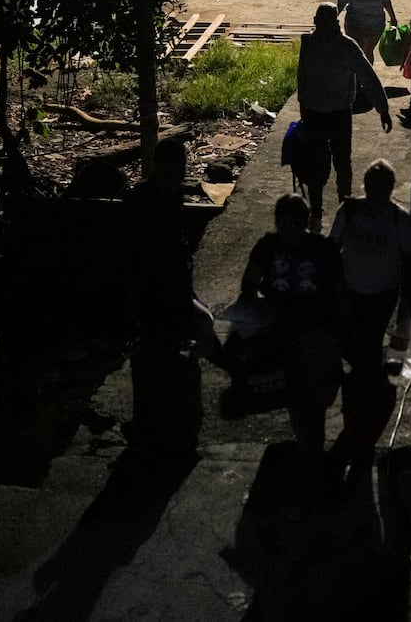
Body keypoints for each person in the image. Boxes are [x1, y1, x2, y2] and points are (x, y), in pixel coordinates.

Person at [236, 194, 349, 490]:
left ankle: (309, 456)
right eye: (282, 224)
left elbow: (339, 291)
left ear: (305, 221)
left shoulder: (322, 249)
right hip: (283, 336)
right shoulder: (268, 247)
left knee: (318, 400)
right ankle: (310, 468)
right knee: (304, 405)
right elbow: (249, 285)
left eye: (295, 223)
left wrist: (340, 330)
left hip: (318, 332)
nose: (289, 230)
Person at [328, 160, 411, 485]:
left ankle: (357, 436)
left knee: (366, 364)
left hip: (381, 300)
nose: (376, 194)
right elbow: (331, 252)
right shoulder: (350, 211)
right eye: (372, 187)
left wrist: (410, 309)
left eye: (383, 189)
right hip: (349, 298)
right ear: (366, 187)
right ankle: (356, 431)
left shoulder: (399, 220)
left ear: (390, 190)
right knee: (358, 364)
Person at [121, 138, 215, 461]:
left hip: (176, 292)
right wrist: (133, 298)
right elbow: (131, 255)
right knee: (155, 362)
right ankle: (153, 428)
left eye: (183, 168)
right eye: (176, 168)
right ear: (159, 167)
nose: (181, 173)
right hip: (154, 295)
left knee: (194, 340)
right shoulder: (140, 201)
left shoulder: (172, 195)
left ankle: (171, 426)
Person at [295, 2, 393, 229]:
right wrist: (303, 104)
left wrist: (383, 108)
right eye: (318, 22)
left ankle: (345, 209)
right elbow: (302, 75)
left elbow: (368, 76)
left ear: (334, 23)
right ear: (315, 22)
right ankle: (316, 211)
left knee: (342, 164)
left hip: (339, 114)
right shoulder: (308, 44)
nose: (321, 26)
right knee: (315, 166)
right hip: (313, 113)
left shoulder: (347, 47)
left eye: (326, 22)